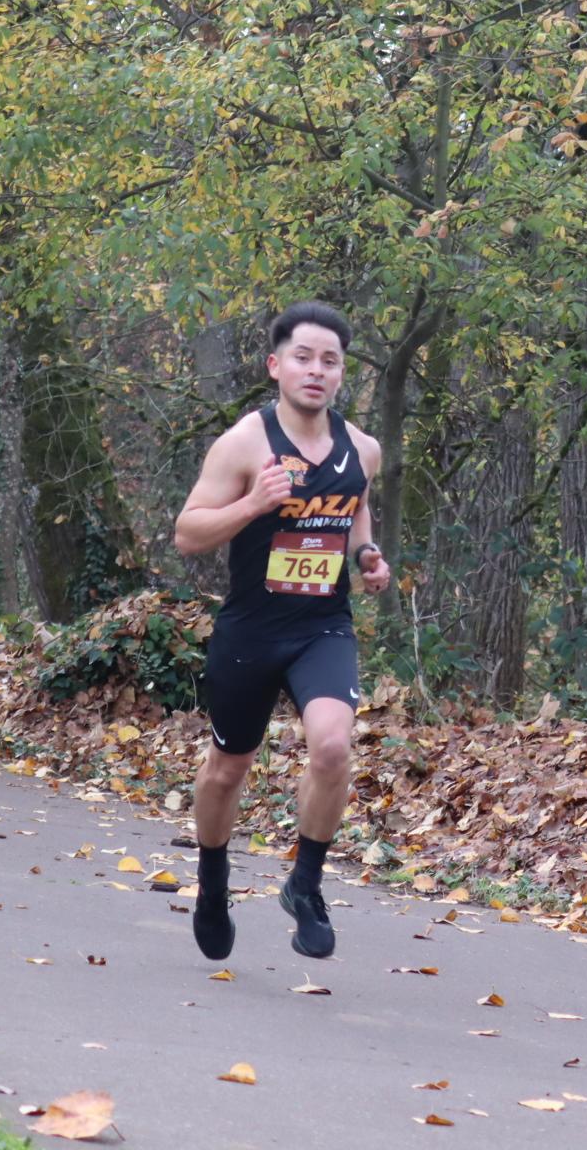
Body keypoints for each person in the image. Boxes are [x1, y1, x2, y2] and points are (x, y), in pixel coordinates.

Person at [173, 302, 391, 961]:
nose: (316, 371)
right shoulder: (245, 443)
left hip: (323, 626)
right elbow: (187, 534)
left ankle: (305, 885)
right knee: (226, 771)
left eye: (330, 361)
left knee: (332, 748)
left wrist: (366, 555)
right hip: (251, 631)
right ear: (276, 366)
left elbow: (355, 508)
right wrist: (253, 503)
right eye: (303, 358)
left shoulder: (363, 449)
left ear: (342, 373)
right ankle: (213, 883)